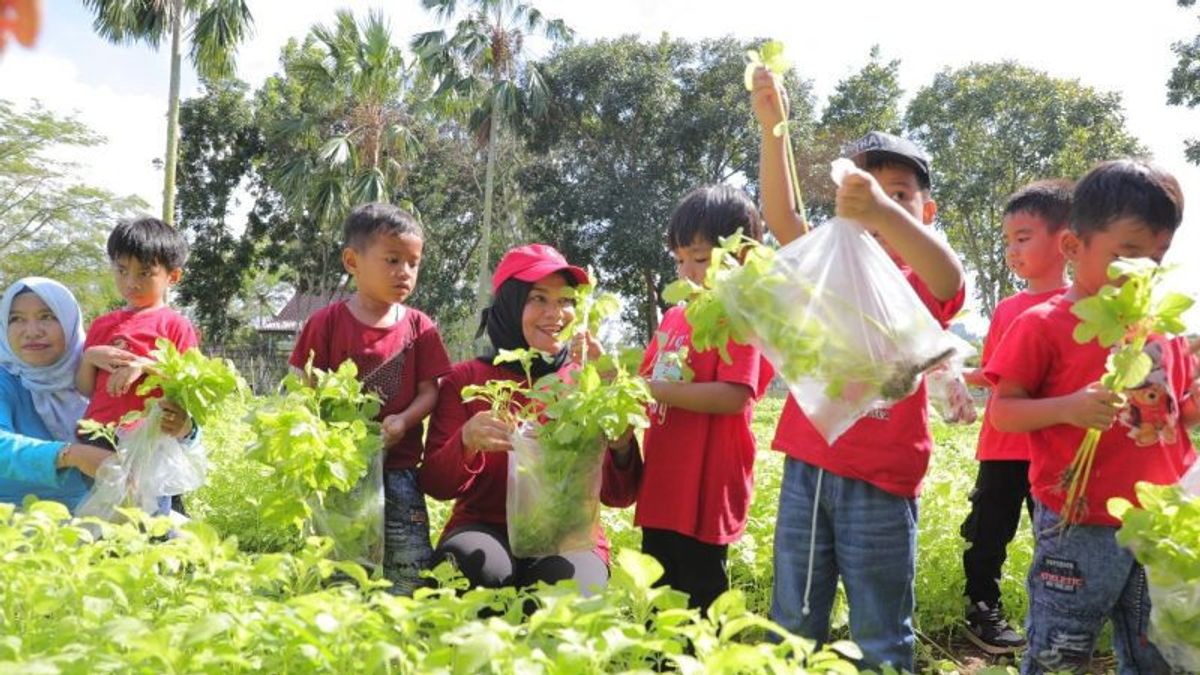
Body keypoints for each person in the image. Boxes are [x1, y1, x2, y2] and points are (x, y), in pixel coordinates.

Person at [751, 69, 966, 671]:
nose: (881, 205)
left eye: (900, 195)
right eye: (866, 193)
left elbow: (950, 278)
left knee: (880, 632)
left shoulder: (919, 279)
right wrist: (773, 128)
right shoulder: (828, 266)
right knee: (791, 624)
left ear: (928, 208)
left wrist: (884, 212)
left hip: (883, 477)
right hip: (806, 467)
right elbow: (783, 216)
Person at [986, 160, 1196, 675]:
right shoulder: (1043, 324)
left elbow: (1182, 415)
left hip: (1158, 523)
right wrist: (1069, 407)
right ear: (1074, 248)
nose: (1141, 271)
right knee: (1061, 648)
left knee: (1159, 652)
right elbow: (1003, 413)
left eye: (1157, 256)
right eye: (1126, 255)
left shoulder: (1164, 330)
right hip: (1078, 522)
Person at [420, 244, 641, 594]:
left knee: (570, 588)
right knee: (472, 567)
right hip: (483, 525)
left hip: (568, 537)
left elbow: (620, 495)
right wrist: (466, 441)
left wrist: (622, 442)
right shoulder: (466, 380)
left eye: (565, 300)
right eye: (538, 298)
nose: (555, 313)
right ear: (510, 303)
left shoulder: (588, 381)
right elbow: (436, 483)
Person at [290, 202, 452, 596]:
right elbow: (302, 386)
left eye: (413, 263)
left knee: (408, 560)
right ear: (352, 261)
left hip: (399, 470)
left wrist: (404, 422)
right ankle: (344, 625)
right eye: (393, 260)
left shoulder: (419, 326)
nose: (405, 272)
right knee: (339, 558)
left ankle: (401, 625)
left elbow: (431, 390)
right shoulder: (325, 323)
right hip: (339, 472)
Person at [636, 185, 774, 611]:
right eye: (680, 260)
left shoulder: (740, 313)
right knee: (658, 598)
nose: (687, 272)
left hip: (707, 486)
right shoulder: (676, 315)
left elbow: (735, 396)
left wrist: (656, 390)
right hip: (662, 485)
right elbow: (644, 381)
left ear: (742, 255)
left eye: (699, 258)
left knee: (700, 598)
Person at [959, 179, 1072, 654]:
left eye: (1023, 238)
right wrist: (958, 375)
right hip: (1003, 448)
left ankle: (1060, 618)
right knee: (988, 532)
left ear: (1067, 240)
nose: (1011, 250)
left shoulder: (1082, 309)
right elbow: (997, 373)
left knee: (1060, 541)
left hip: (1055, 451)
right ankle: (982, 608)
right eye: (1008, 241)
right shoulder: (1008, 309)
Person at [75, 217, 199, 514]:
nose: (131, 282)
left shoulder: (176, 325)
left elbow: (189, 383)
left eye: (145, 273)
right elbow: (84, 388)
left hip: (149, 437)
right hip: (99, 435)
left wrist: (143, 366)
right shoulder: (103, 325)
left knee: (150, 516)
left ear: (173, 276)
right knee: (100, 518)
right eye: (122, 270)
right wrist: (89, 357)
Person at [0, 277, 115, 510]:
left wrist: (184, 427)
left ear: (69, 321)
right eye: (17, 319)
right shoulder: (6, 378)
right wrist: (71, 454)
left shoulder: (97, 371)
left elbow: (151, 425)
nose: (32, 332)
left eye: (47, 317)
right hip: (17, 522)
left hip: (101, 516)